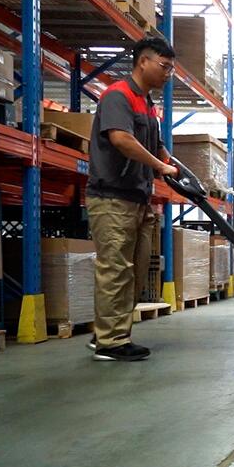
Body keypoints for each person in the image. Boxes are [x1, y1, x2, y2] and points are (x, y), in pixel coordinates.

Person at [86, 36, 179, 361]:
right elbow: (121, 139)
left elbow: (156, 145)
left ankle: (108, 332)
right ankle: (110, 343)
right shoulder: (119, 95)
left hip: (138, 199)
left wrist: (172, 164)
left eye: (171, 68)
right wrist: (160, 167)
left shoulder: (147, 104)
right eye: (164, 66)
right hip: (112, 198)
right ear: (143, 61)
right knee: (116, 269)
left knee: (136, 270)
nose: (168, 74)